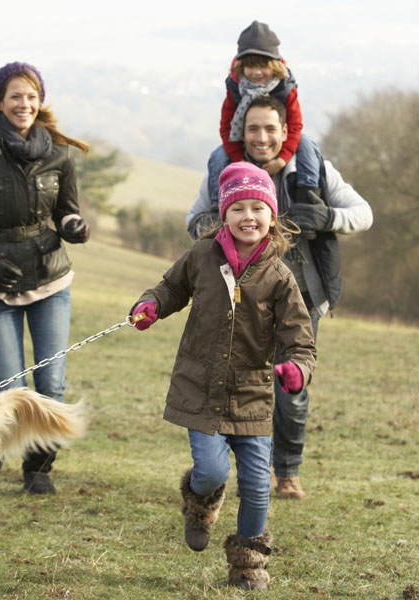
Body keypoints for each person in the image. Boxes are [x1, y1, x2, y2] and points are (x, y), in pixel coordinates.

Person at [129, 162, 317, 590]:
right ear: (224, 214)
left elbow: (302, 342)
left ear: (272, 216)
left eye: (257, 207)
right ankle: (199, 505)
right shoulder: (201, 255)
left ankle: (248, 564)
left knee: (255, 485)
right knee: (211, 472)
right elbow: (170, 288)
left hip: (252, 398)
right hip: (200, 390)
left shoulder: (280, 278)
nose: (248, 216)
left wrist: (296, 371)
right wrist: (150, 306)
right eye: (238, 208)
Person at [187, 95, 373, 500]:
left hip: (302, 297)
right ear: (241, 132)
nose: (262, 137)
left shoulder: (314, 170)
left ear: (286, 131)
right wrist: (221, 225)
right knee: (241, 384)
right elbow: (194, 220)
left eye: (271, 128)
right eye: (253, 128)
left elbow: (363, 213)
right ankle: (250, 473)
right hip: (240, 299)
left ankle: (287, 471)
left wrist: (327, 218)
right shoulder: (223, 169)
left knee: (291, 387)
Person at [0, 61, 90, 495]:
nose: (24, 103)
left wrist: (72, 225)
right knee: (13, 387)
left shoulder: (60, 153)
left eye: (31, 96)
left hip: (49, 279)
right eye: (15, 96)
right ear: (0, 102)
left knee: (51, 383)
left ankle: (38, 467)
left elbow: (67, 209)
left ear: (39, 101)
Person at [209, 20, 322, 207]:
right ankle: (217, 204)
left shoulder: (285, 87)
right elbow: (226, 126)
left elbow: (295, 125)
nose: (257, 72)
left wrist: (282, 159)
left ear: (274, 64)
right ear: (241, 66)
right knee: (218, 155)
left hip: (280, 142)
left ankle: (308, 196)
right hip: (245, 144)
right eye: (251, 66)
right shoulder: (235, 88)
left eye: (263, 65)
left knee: (307, 142)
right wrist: (241, 160)